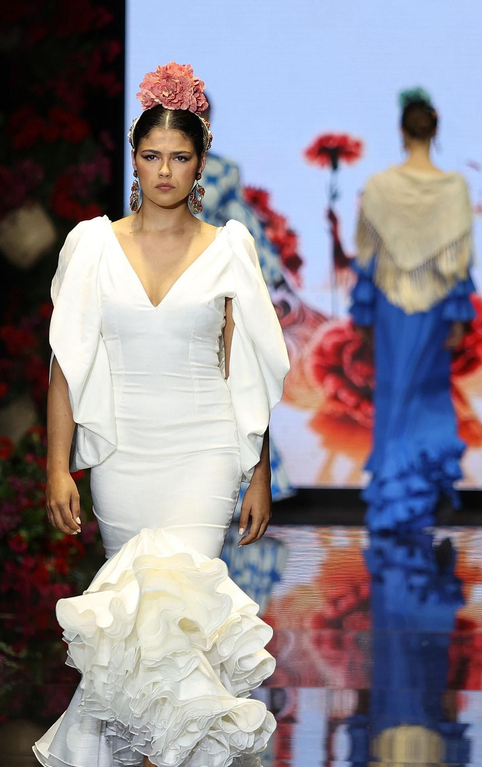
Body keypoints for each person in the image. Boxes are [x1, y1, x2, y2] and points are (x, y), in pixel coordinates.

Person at [32, 62, 286, 767]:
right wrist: (56, 466)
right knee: (147, 625)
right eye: (153, 157)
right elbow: (65, 365)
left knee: (178, 603)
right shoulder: (91, 246)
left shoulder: (229, 250)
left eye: (181, 158)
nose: (166, 171)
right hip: (124, 450)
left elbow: (246, 366)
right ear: (134, 161)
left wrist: (258, 470)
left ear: (198, 166)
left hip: (205, 443)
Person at [348, 88, 476, 532]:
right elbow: (459, 262)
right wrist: (459, 318)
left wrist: (362, 318)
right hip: (434, 305)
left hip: (390, 304)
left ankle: (395, 500)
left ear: (402, 133)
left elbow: (367, 257)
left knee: (395, 395)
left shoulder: (379, 187)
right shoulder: (454, 188)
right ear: (434, 130)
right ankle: (421, 496)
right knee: (425, 395)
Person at [196, 96, 296, 503]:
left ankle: (233, 487)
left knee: (229, 387)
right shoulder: (162, 172)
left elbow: (236, 227)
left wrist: (270, 279)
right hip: (189, 291)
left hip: (216, 294)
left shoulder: (219, 171)